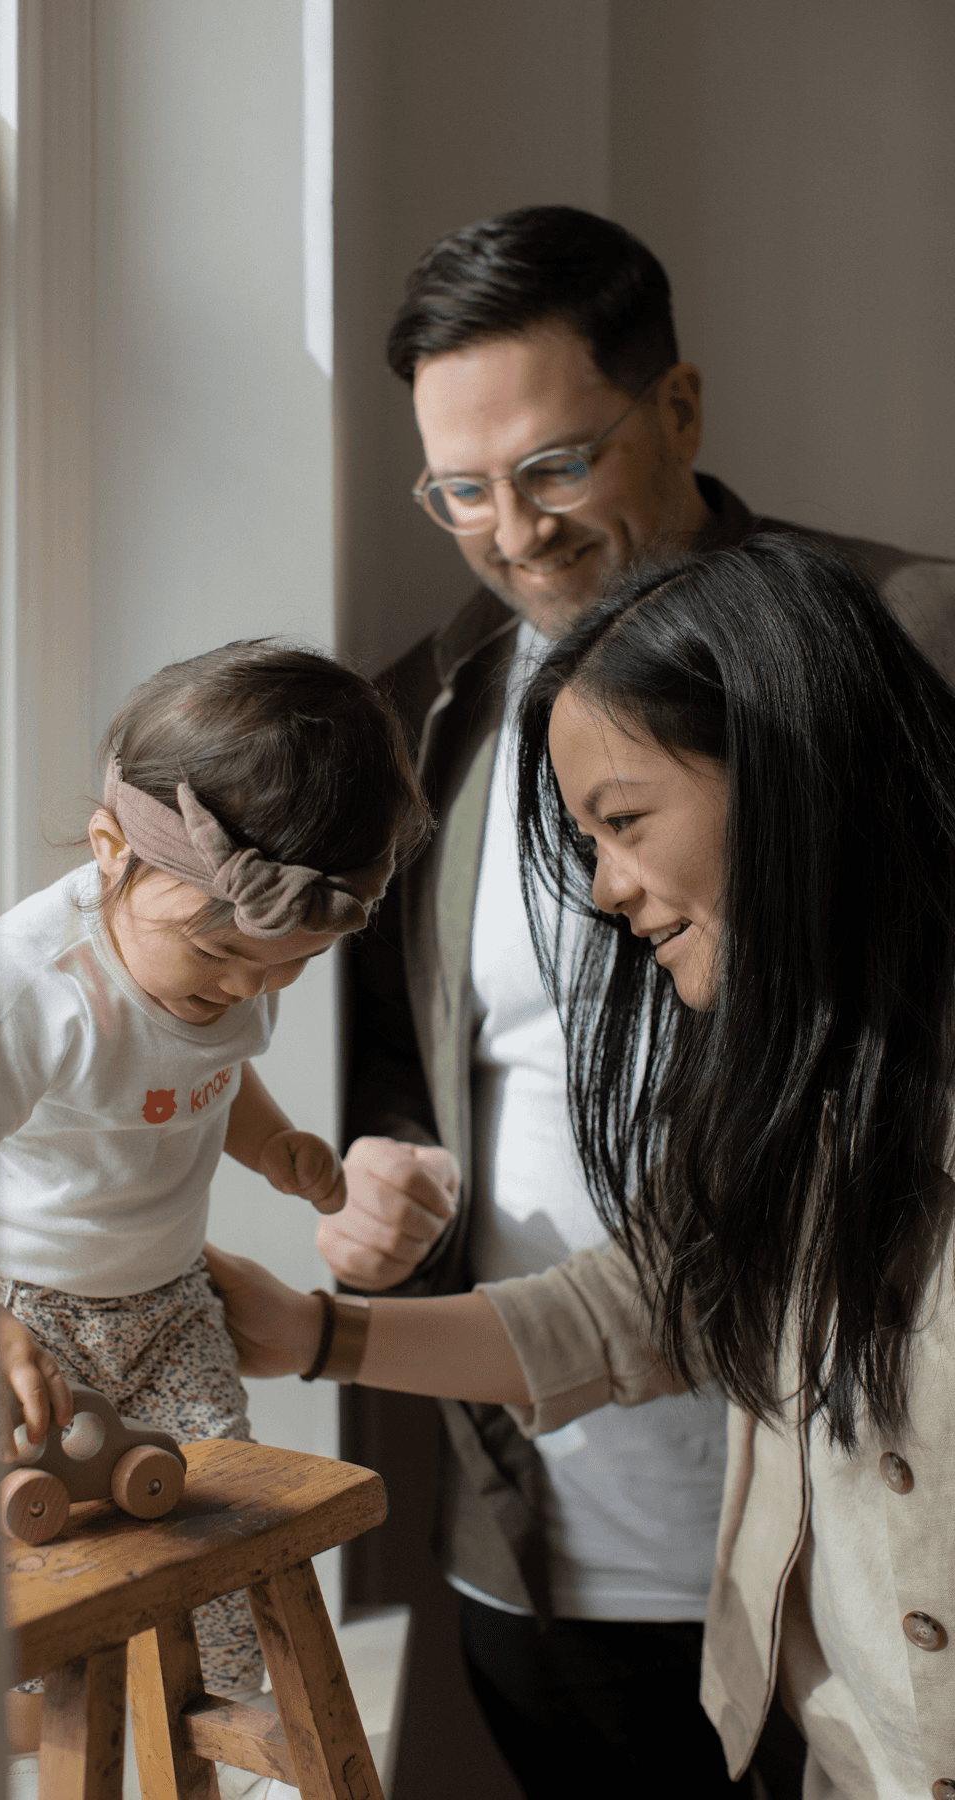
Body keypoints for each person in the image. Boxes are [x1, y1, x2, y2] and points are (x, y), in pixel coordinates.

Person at [324, 205, 955, 1795]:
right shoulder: (435, 710)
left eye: (553, 467)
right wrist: (371, 1193)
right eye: (460, 489)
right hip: (562, 1508)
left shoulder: (905, 640)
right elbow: (426, 1069)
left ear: (677, 407)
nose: (511, 531)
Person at [209, 534, 955, 1800]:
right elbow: (630, 1309)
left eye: (623, 823)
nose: (605, 889)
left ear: (793, 770)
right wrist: (316, 1336)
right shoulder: (795, 1085)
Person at [0, 640, 430, 1763]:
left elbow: (212, 1069)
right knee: (54, 1557)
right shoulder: (37, 994)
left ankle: (239, 1746)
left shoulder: (234, 964)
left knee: (218, 1522)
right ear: (108, 849)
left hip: (174, 1300)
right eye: (225, 955)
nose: (250, 989)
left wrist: (273, 1142)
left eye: (290, 968)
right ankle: (29, 1731)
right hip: (30, 1315)